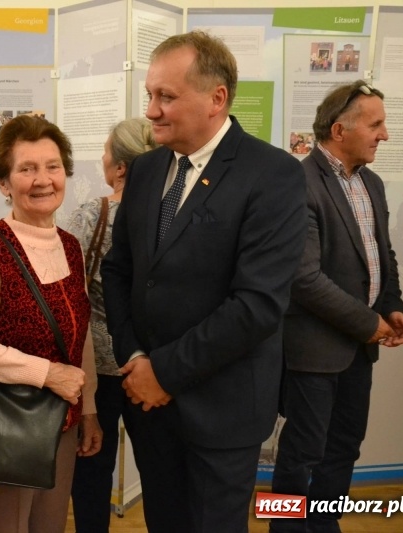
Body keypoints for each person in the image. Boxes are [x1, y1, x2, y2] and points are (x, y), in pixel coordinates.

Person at [100, 31, 307, 533]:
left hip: (222, 412)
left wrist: (163, 373)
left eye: (165, 96)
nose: (151, 111)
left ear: (217, 98)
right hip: (150, 408)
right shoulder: (148, 170)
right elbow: (119, 270)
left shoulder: (273, 173)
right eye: (150, 95)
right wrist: (134, 360)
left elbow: (256, 305)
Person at [270, 80, 403, 533]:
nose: (384, 134)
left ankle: (323, 527)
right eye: (375, 124)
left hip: (359, 347)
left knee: (345, 447)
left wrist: (390, 305)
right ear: (338, 130)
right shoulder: (297, 182)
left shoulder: (371, 182)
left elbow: (380, 254)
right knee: (301, 455)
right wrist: (368, 323)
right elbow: (302, 278)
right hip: (313, 351)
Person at [0, 114, 102, 533]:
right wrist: (49, 375)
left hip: (61, 424)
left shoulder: (70, 246)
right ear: (4, 183)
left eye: (52, 166)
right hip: (4, 428)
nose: (43, 179)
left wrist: (88, 409)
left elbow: (82, 335)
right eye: (27, 169)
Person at [66, 117, 155, 533]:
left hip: (97, 368)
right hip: (150, 366)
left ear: (119, 167)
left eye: (105, 151)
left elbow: (68, 293)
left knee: (92, 471)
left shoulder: (90, 215)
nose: (102, 158)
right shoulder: (167, 217)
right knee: (160, 473)